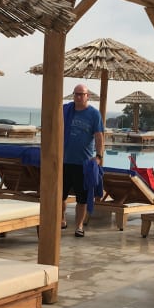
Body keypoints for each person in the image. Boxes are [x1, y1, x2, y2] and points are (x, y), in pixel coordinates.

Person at [62, 84, 105, 237]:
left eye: (82, 94)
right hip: (63, 161)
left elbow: (99, 137)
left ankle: (79, 226)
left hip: (83, 163)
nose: (79, 97)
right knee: (60, 195)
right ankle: (62, 219)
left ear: (88, 96)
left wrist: (99, 156)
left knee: (82, 198)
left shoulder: (94, 114)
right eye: (76, 94)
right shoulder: (65, 110)